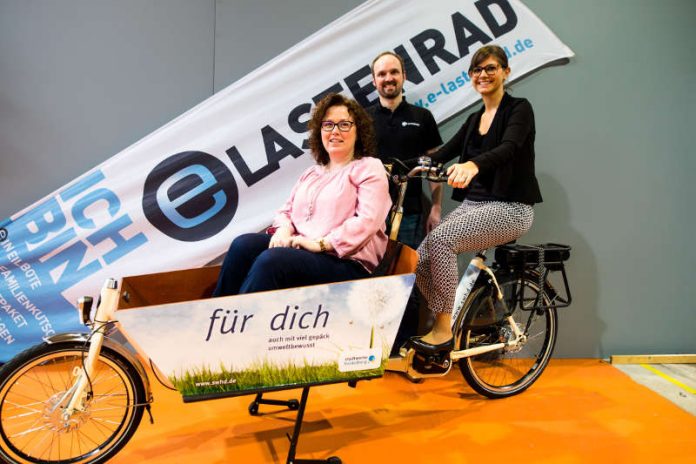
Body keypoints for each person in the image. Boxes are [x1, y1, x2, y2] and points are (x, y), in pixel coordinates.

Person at [410, 44, 542, 352]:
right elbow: (440, 154)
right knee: (418, 259)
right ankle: (448, 315)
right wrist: (400, 165)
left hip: (511, 208)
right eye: (477, 70)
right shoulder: (473, 120)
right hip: (474, 206)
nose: (483, 74)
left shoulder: (519, 109)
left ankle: (442, 328)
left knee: (442, 241)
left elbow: (509, 147)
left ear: (505, 72)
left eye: (490, 68)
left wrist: (473, 164)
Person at [212, 93, 391, 297]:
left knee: (272, 261)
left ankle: (236, 323)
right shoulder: (312, 172)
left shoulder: (369, 168)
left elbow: (367, 222)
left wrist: (320, 244)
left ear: (358, 130)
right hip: (303, 249)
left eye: (344, 124)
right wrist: (283, 231)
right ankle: (214, 317)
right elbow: (285, 211)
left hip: (345, 261)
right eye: (328, 124)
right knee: (242, 245)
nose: (335, 131)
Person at [367, 51, 443, 250]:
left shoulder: (423, 116)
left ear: (404, 76)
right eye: (382, 74)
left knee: (405, 275)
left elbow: (433, 166)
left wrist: (436, 207)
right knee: (371, 274)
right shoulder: (362, 120)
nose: (388, 78)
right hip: (370, 213)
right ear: (374, 81)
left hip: (410, 213)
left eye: (394, 72)